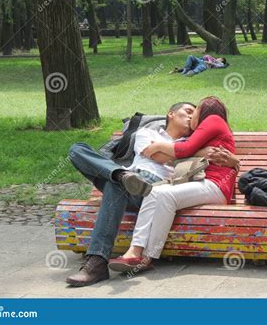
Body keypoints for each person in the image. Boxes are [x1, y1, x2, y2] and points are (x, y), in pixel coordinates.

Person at [65, 101, 238, 287]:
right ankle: (120, 174)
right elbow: (155, 155)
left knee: (115, 184)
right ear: (170, 113)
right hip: (133, 179)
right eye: (187, 111)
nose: (190, 116)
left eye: (194, 114)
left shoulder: (193, 140)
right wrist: (195, 152)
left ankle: (97, 263)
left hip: (153, 187)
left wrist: (195, 151)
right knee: (77, 149)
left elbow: (219, 151)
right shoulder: (147, 133)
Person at [108, 96, 237, 272]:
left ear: (205, 110)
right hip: (203, 183)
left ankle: (148, 256)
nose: (192, 117)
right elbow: (184, 153)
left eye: (196, 110)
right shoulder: (209, 127)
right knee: (154, 192)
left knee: (165, 195)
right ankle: (135, 251)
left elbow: (184, 150)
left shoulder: (213, 120)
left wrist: (156, 146)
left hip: (215, 186)